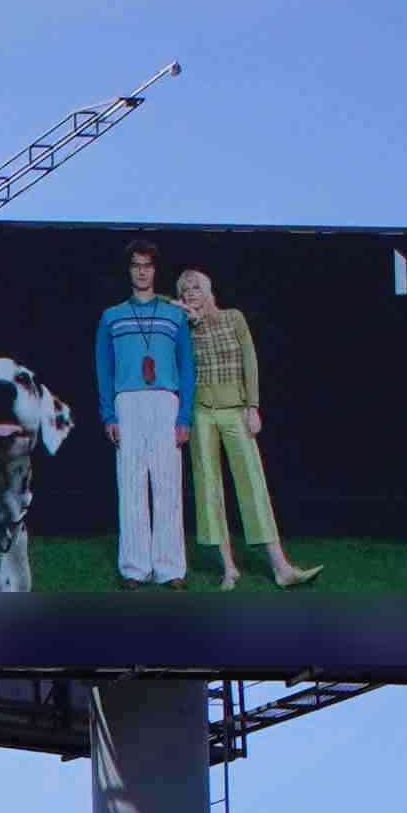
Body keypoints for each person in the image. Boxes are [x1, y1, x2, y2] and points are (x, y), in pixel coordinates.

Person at [175, 267, 315, 587]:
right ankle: (228, 568)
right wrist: (183, 313)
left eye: (196, 287)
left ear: (210, 291)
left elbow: (250, 362)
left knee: (252, 482)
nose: (191, 293)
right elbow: (162, 304)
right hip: (201, 413)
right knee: (208, 487)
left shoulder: (234, 318)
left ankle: (281, 567)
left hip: (235, 409)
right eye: (186, 290)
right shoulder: (183, 327)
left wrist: (253, 406)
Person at [94, 242, 195, 585]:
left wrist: (184, 418)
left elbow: (187, 368)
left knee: (168, 484)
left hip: (166, 401)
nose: (142, 271)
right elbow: (103, 370)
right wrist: (109, 415)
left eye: (148, 266)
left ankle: (170, 569)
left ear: (155, 270)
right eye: (136, 265)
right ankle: (135, 568)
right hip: (129, 402)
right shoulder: (112, 316)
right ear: (129, 270)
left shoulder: (174, 315)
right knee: (131, 484)